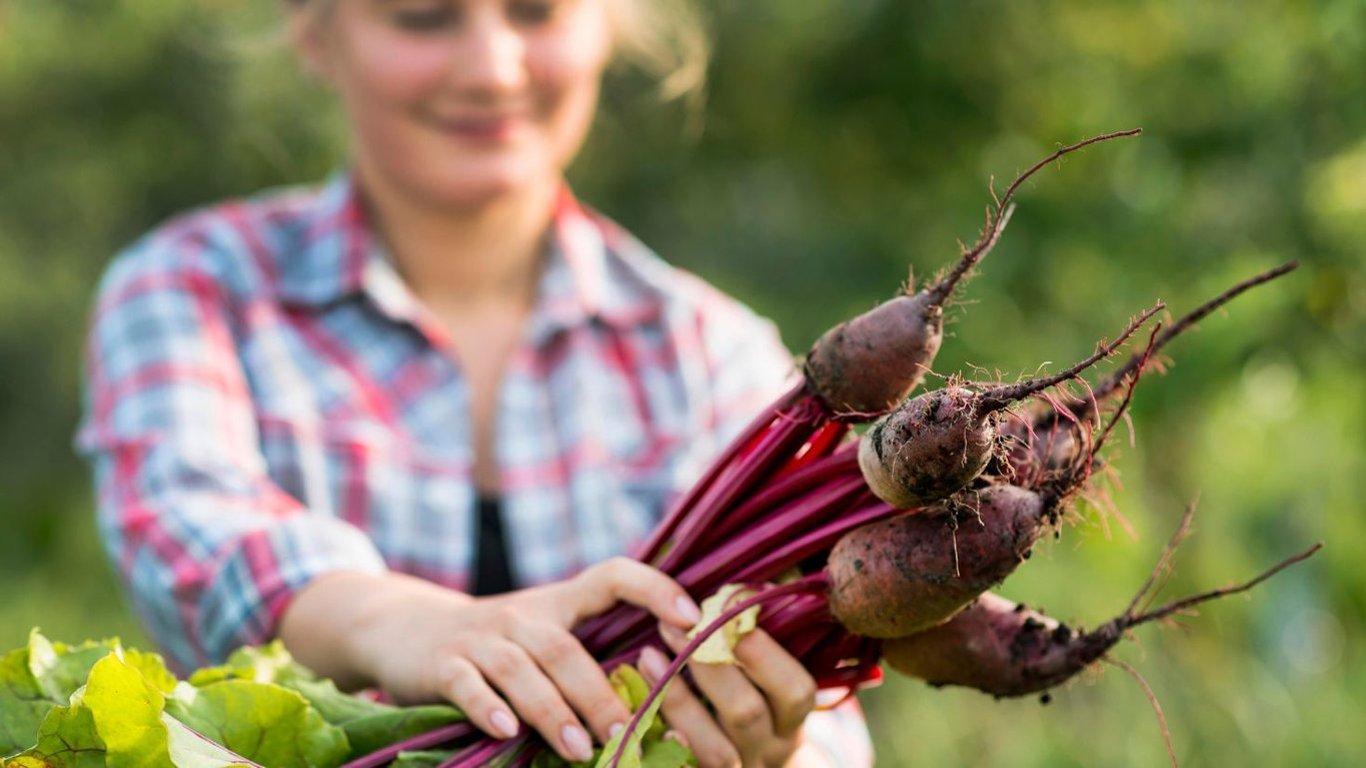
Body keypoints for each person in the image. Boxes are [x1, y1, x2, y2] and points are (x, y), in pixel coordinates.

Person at [77, 1, 873, 765]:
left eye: (538, 11)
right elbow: (190, 528)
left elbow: (832, 711)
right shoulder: (192, 289)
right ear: (317, 34)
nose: (493, 68)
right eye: (422, 16)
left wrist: (784, 750)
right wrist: (398, 623)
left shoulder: (709, 352)